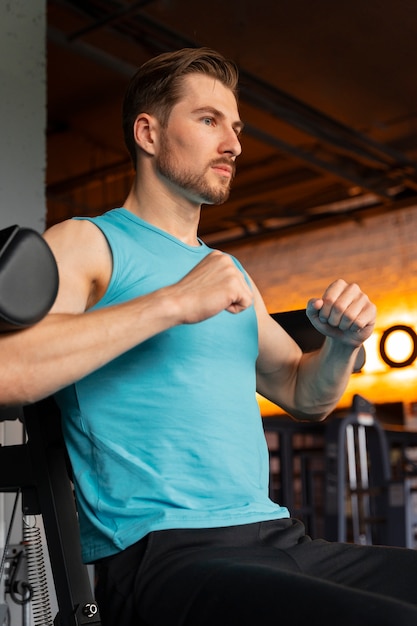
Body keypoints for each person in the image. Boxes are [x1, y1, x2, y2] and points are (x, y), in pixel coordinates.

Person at [2, 47, 417, 626]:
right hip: (167, 556)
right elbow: (7, 372)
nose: (235, 144)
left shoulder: (228, 272)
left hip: (279, 540)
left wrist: (344, 345)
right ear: (148, 133)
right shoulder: (87, 243)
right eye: (208, 120)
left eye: (237, 126)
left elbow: (305, 394)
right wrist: (171, 301)